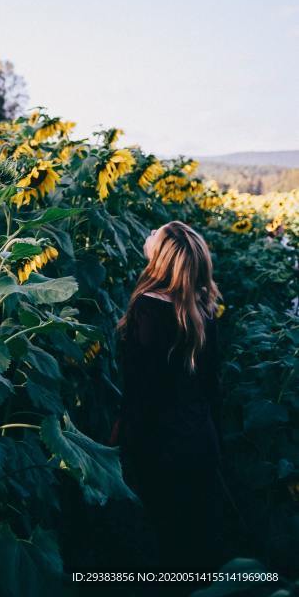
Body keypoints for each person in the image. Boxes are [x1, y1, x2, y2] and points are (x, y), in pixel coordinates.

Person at [112, 220, 226, 570]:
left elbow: (139, 390)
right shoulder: (202, 309)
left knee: (160, 543)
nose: (147, 236)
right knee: (194, 543)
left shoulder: (147, 308)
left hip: (157, 444)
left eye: (154, 235)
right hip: (199, 438)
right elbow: (210, 387)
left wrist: (119, 439)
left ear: (162, 257)